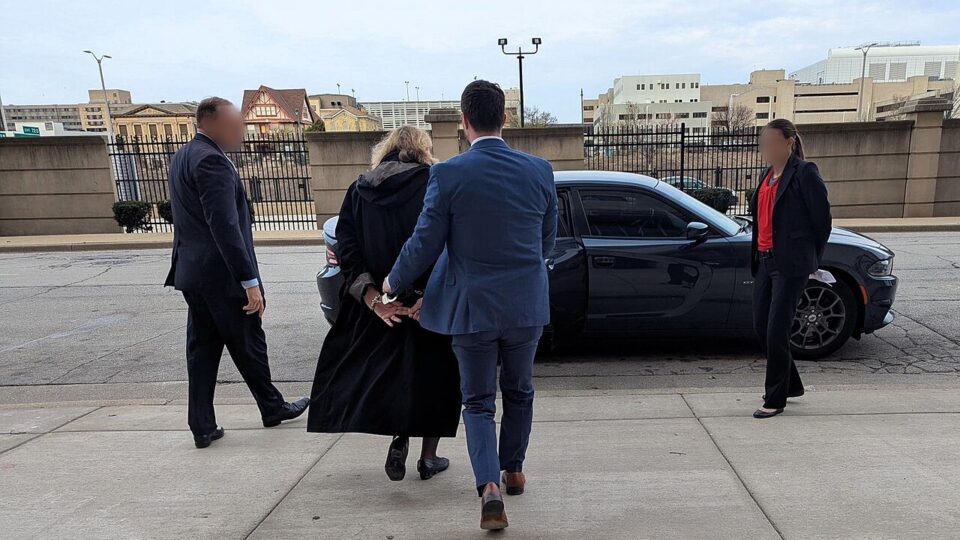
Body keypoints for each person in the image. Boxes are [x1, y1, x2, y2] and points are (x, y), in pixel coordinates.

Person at [383, 80, 558, 531]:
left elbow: (425, 241)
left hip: (472, 309)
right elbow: (546, 242)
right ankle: (514, 469)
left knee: (478, 402)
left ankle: (490, 489)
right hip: (526, 306)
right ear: (505, 118)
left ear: (463, 121)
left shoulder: (448, 175)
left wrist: (392, 281)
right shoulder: (540, 171)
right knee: (519, 391)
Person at [307, 126, 461, 482]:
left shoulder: (359, 190)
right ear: (423, 150)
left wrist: (374, 300)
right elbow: (446, 243)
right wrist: (429, 297)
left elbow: (347, 249)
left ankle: (399, 437)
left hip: (381, 304)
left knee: (391, 375)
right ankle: (428, 457)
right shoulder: (433, 183)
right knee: (436, 378)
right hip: (425, 300)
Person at [165, 97, 309, 448]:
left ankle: (203, 424)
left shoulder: (184, 155)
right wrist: (249, 282)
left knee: (203, 351)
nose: (242, 131)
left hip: (193, 274)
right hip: (221, 276)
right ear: (211, 124)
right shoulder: (211, 161)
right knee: (248, 342)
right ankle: (271, 408)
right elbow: (225, 227)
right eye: (235, 126)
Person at [750, 119, 831, 419]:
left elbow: (822, 221)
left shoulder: (804, 172)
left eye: (771, 142)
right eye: (763, 142)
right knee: (761, 325)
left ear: (788, 143)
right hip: (764, 259)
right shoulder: (766, 174)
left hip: (790, 264)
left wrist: (810, 258)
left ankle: (775, 398)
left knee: (776, 329)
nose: (766, 147)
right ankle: (792, 384)